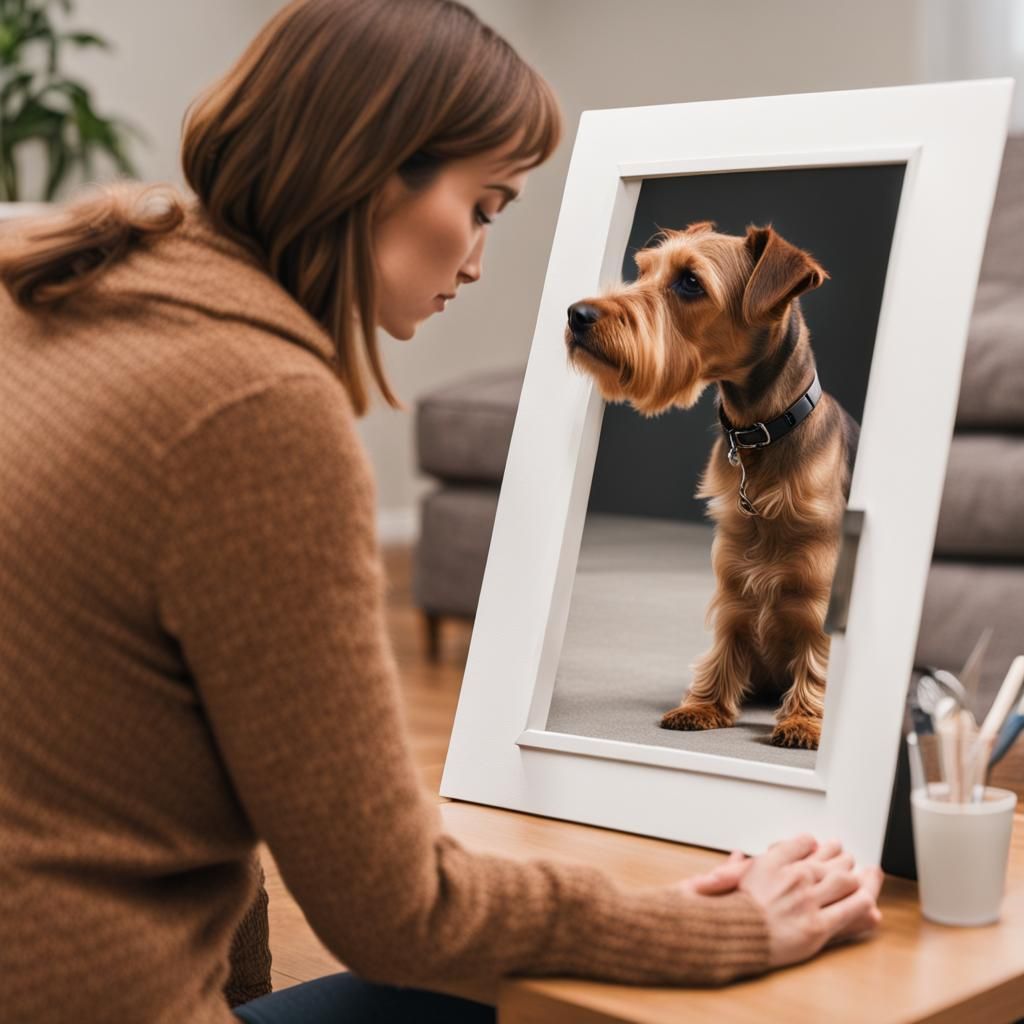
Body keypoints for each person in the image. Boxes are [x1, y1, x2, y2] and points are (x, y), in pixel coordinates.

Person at [0, 1, 883, 1021]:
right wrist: (730, 926)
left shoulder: (54, 285)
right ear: (375, 172)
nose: (476, 259)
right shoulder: (254, 413)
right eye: (486, 205)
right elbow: (397, 913)